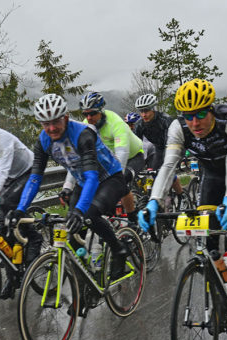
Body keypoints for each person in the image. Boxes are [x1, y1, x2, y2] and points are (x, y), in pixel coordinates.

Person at [138, 79, 227, 287]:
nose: (195, 123)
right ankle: (223, 291)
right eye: (188, 116)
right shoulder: (178, 128)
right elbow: (168, 166)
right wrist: (154, 202)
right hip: (212, 171)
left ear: (211, 110)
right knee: (208, 235)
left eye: (201, 114)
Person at [11, 94, 130, 296]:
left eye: (56, 122)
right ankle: (85, 286)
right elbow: (35, 177)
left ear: (65, 117)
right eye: (45, 124)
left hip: (110, 178)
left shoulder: (84, 134)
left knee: (89, 215)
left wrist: (80, 210)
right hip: (84, 182)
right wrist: (20, 209)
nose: (51, 128)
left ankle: (118, 249)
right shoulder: (43, 140)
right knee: (72, 238)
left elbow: (92, 176)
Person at [61, 92, 144, 223]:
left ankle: (133, 217)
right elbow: (77, 160)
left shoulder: (115, 122)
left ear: (101, 111)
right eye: (85, 114)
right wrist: (68, 186)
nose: (88, 117)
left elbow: (122, 153)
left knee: (122, 179)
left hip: (133, 156)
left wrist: (116, 181)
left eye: (92, 113)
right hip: (110, 161)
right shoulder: (85, 127)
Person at [0, 109, 42, 299]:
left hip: (27, 172)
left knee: (6, 206)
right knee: (1, 226)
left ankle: (34, 238)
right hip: (10, 177)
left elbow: (1, 170)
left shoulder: (2, 139)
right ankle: (12, 274)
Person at [134, 93, 186, 204]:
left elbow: (171, 142)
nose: (144, 114)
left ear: (154, 109)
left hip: (174, 146)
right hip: (158, 148)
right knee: (155, 173)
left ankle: (181, 196)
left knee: (168, 171)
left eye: (146, 111)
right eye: (141, 111)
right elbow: (135, 144)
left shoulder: (165, 120)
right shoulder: (139, 124)